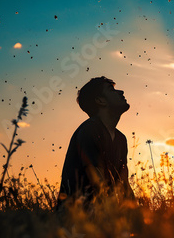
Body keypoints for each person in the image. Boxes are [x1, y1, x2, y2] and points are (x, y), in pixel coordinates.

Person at [56, 76, 135, 210]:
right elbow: (96, 180)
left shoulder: (121, 139)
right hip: (75, 217)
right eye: (112, 90)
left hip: (102, 215)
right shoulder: (90, 129)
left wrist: (136, 216)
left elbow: (124, 185)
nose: (121, 92)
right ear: (100, 101)